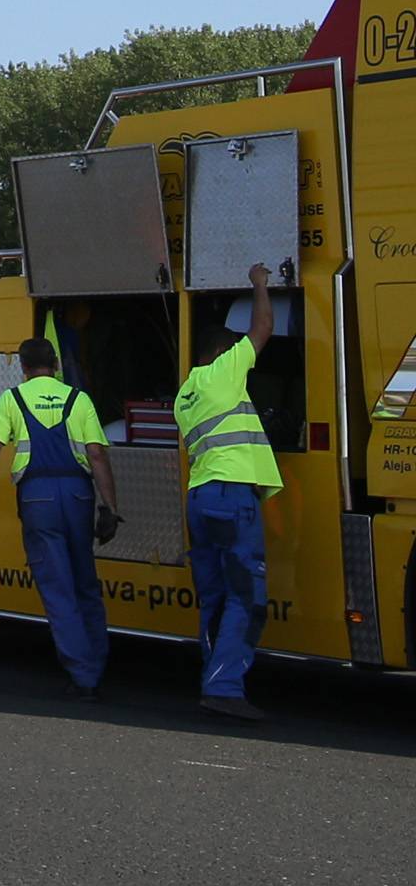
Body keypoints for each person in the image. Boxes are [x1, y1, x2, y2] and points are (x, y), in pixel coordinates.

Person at [0, 334, 120, 700]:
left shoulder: (13, 399)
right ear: (57, 365)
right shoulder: (79, 400)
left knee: (58, 588)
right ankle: (96, 662)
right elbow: (97, 456)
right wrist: (110, 507)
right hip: (78, 494)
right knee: (85, 584)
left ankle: (83, 676)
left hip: (39, 498)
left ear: (24, 367)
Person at [174, 262, 282, 722]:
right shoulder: (223, 372)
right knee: (246, 598)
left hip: (201, 499)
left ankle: (212, 676)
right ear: (221, 352)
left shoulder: (185, 395)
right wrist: (260, 284)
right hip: (231, 497)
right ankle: (224, 687)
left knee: (216, 597)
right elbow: (262, 328)